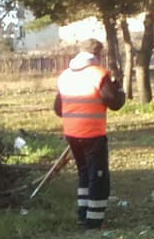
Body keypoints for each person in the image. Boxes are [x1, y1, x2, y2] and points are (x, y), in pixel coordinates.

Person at [54, 38, 126, 229]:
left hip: (71, 133)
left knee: (84, 174)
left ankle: (82, 214)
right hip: (92, 133)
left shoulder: (65, 75)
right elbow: (114, 103)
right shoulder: (98, 74)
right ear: (99, 55)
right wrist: (119, 89)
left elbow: (58, 108)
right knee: (98, 177)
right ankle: (94, 221)